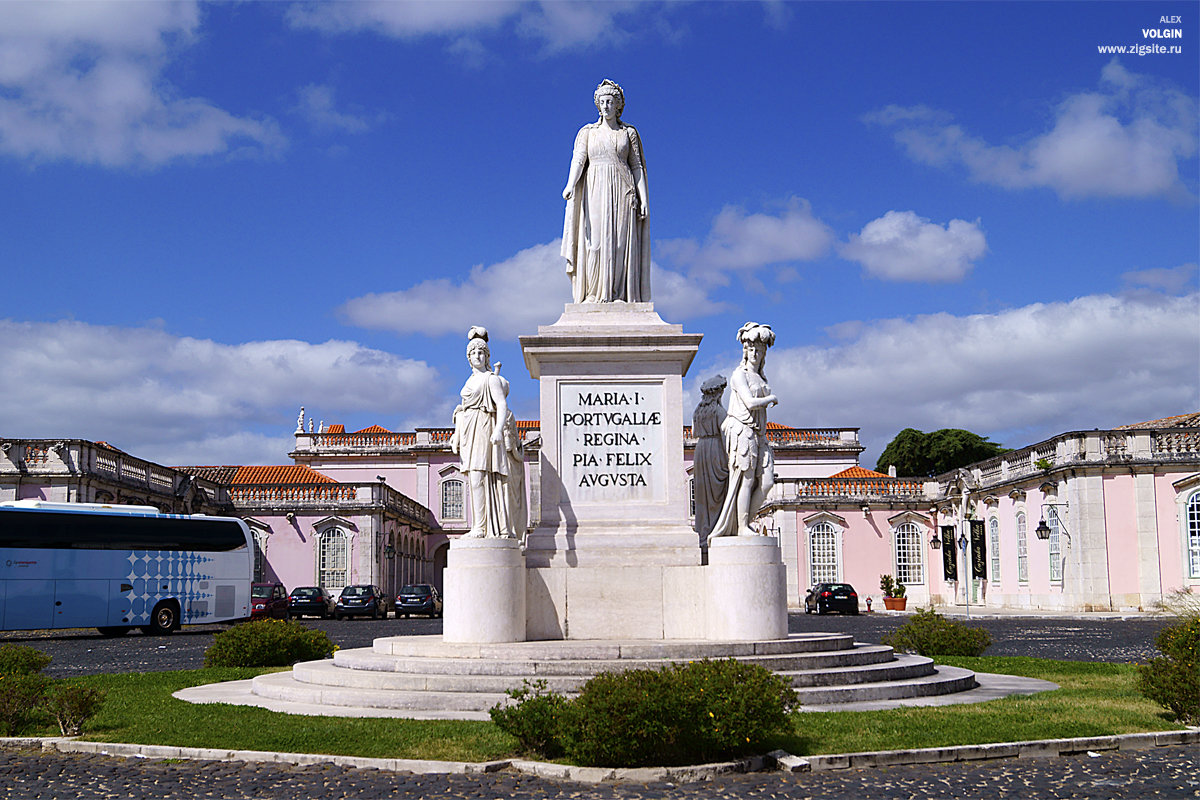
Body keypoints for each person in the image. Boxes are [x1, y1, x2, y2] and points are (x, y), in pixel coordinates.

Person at [561, 79, 651, 304]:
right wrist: (570, 184)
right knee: (595, 243)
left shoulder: (628, 133)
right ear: (597, 105)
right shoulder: (587, 132)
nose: (606, 106)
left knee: (620, 244)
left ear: (618, 105)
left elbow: (637, 166)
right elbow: (579, 159)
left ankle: (618, 294)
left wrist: (644, 198)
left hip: (623, 189)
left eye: (610, 101)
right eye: (602, 102)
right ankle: (592, 293)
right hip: (595, 188)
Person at [449, 327, 526, 539]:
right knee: (474, 478)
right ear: (468, 357)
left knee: (483, 477)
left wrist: (499, 430)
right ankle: (478, 525)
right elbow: (462, 410)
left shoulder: (490, 379)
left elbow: (501, 405)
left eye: (481, 352)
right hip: (470, 430)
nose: (478, 356)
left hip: (485, 427)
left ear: (487, 356)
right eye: (474, 352)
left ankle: (483, 528)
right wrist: (456, 434)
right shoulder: (469, 381)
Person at [708, 323, 779, 542]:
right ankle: (742, 526)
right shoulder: (739, 375)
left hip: (759, 433)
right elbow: (749, 402)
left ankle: (747, 520)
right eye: (751, 350)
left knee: (766, 482)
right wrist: (770, 399)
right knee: (746, 480)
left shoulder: (761, 377)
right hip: (742, 431)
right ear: (745, 352)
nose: (755, 354)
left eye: (759, 350)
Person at [692, 374, 729, 541]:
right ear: (718, 394)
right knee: (717, 495)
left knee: (703, 496)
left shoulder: (697, 413)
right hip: (716, 450)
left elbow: (694, 433)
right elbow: (726, 436)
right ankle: (716, 530)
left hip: (700, 450)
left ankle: (703, 531)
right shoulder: (719, 412)